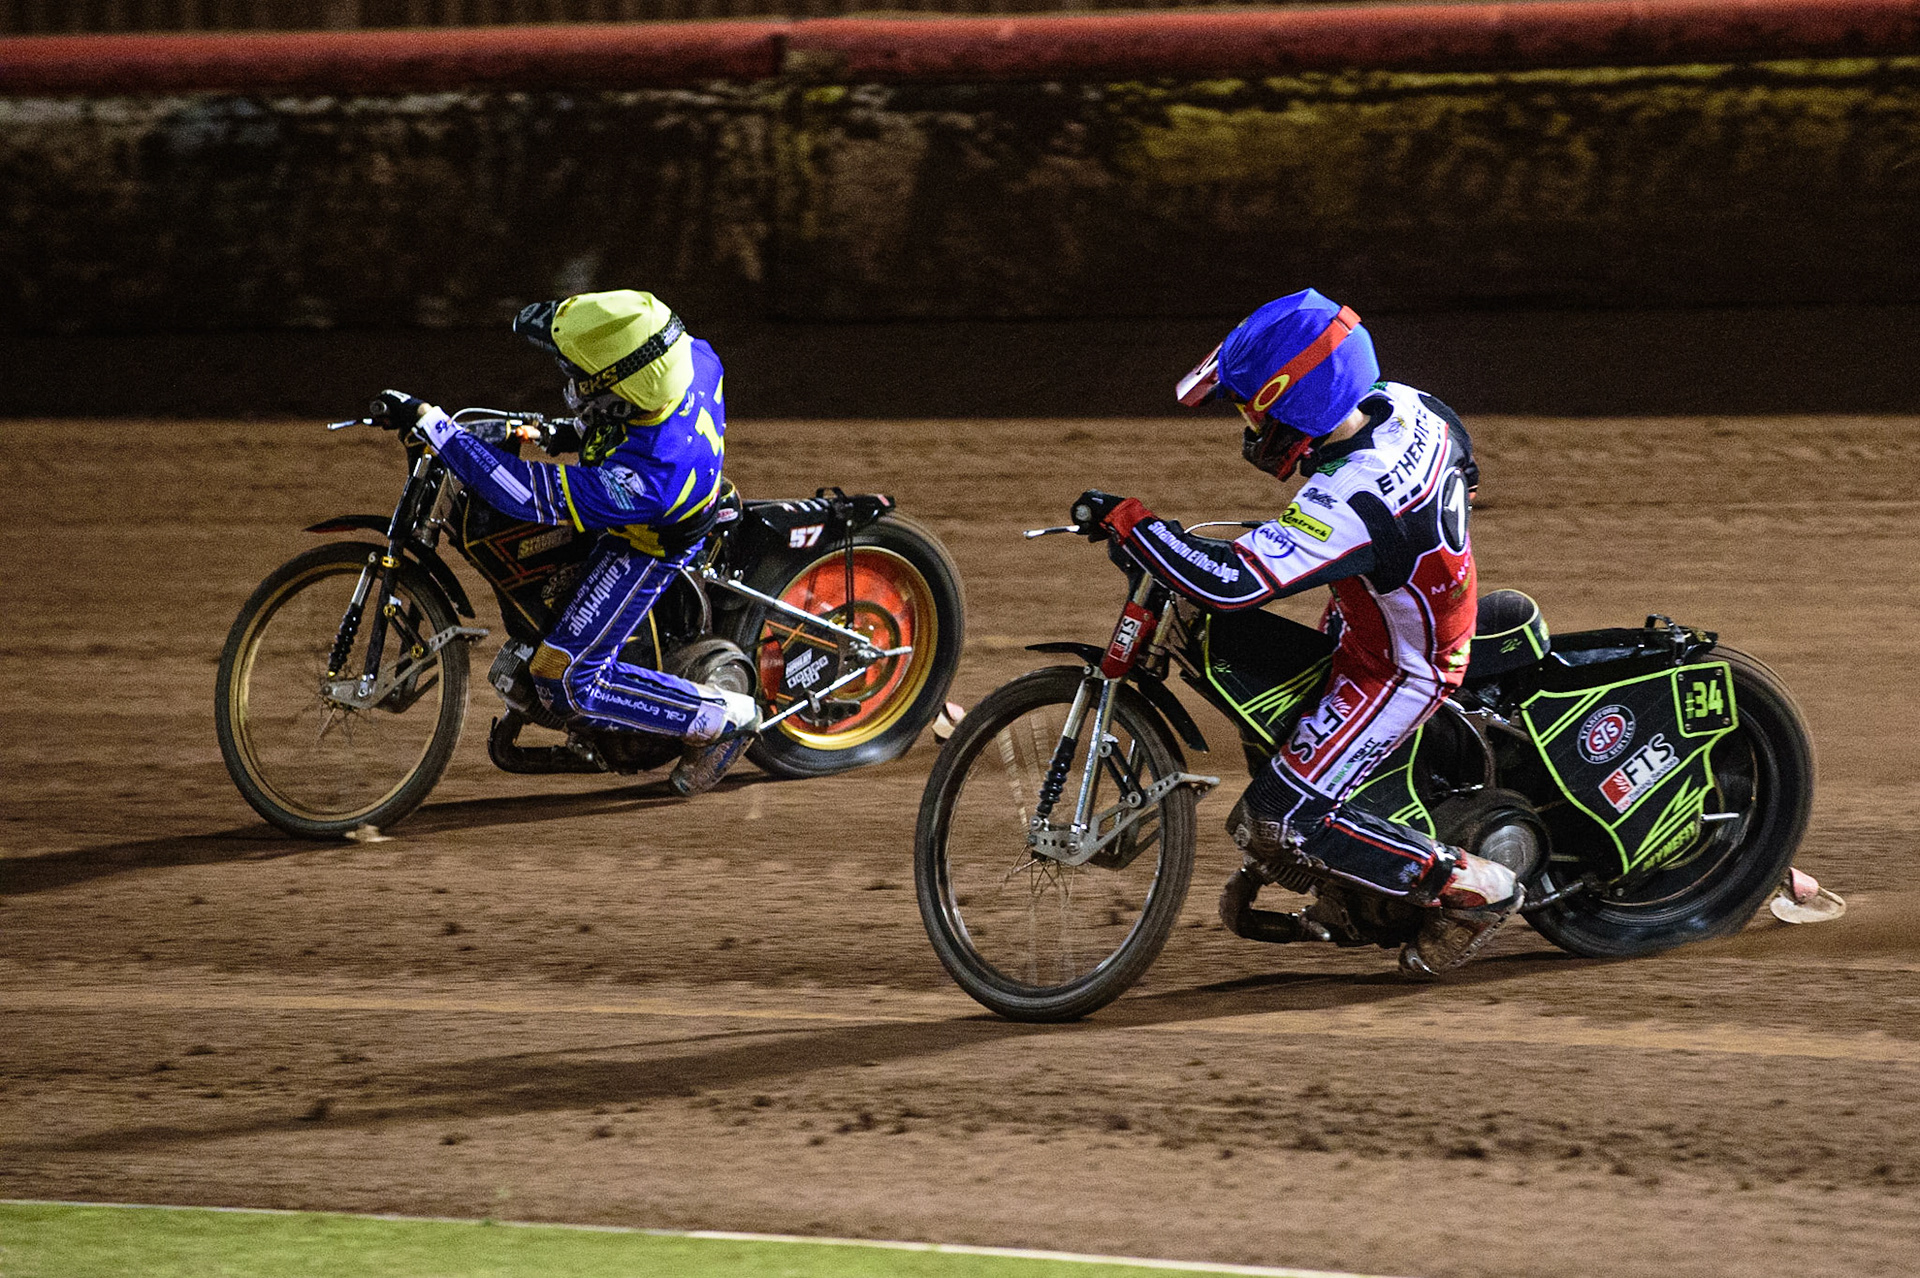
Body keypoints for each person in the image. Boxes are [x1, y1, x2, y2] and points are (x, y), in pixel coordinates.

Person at [1073, 288, 1522, 977]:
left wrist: (1133, 525)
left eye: (1252, 406)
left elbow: (1231, 584)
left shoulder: (1353, 495)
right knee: (1275, 723)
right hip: (1385, 606)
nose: (1249, 424)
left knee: (1279, 820)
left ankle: (1478, 889)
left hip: (1403, 666)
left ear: (1298, 399)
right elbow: (1464, 461)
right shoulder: (1408, 404)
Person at [397, 289, 759, 797]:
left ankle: (721, 718)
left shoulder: (647, 476)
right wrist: (559, 432)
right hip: (664, 474)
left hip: (647, 540)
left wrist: (440, 430)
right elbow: (613, 392)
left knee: (561, 677)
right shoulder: (685, 352)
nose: (570, 381)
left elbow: (526, 494)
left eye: (579, 377)